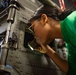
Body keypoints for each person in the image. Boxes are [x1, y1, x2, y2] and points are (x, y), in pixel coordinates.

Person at [28, 3, 76, 75]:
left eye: (33, 28)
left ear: (44, 19)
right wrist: (46, 48)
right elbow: (72, 70)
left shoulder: (73, 20)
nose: (34, 35)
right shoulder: (69, 44)